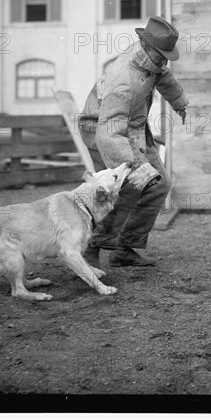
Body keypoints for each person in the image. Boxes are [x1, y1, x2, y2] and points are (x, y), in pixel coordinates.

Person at [78, 16, 189, 267]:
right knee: (127, 188)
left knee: (158, 186)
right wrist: (131, 168)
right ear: (147, 46)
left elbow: (163, 76)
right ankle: (91, 248)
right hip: (101, 129)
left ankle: (125, 249)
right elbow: (108, 132)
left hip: (133, 126)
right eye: (162, 54)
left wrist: (179, 102)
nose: (164, 60)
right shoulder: (123, 80)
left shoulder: (150, 61)